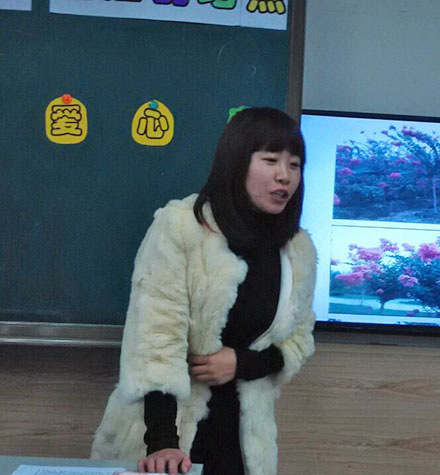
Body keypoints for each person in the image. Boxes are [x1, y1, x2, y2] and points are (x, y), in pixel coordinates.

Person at [91, 107, 317, 475]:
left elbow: (300, 339)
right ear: (237, 162)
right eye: (271, 160)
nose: (285, 176)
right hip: (165, 434)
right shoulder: (181, 226)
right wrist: (162, 442)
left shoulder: (297, 248)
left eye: (295, 165)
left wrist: (243, 363)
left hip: (247, 441)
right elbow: (155, 338)